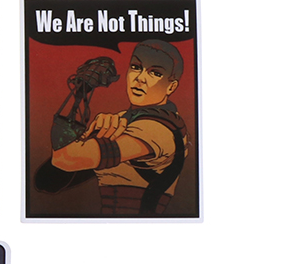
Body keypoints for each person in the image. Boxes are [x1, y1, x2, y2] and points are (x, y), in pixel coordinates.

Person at [38, 40, 190, 216]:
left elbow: (66, 159)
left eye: (155, 73)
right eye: (136, 67)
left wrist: (79, 94)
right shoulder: (124, 119)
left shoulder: (157, 129)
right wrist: (92, 132)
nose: (140, 78)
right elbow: (49, 181)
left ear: (171, 86)